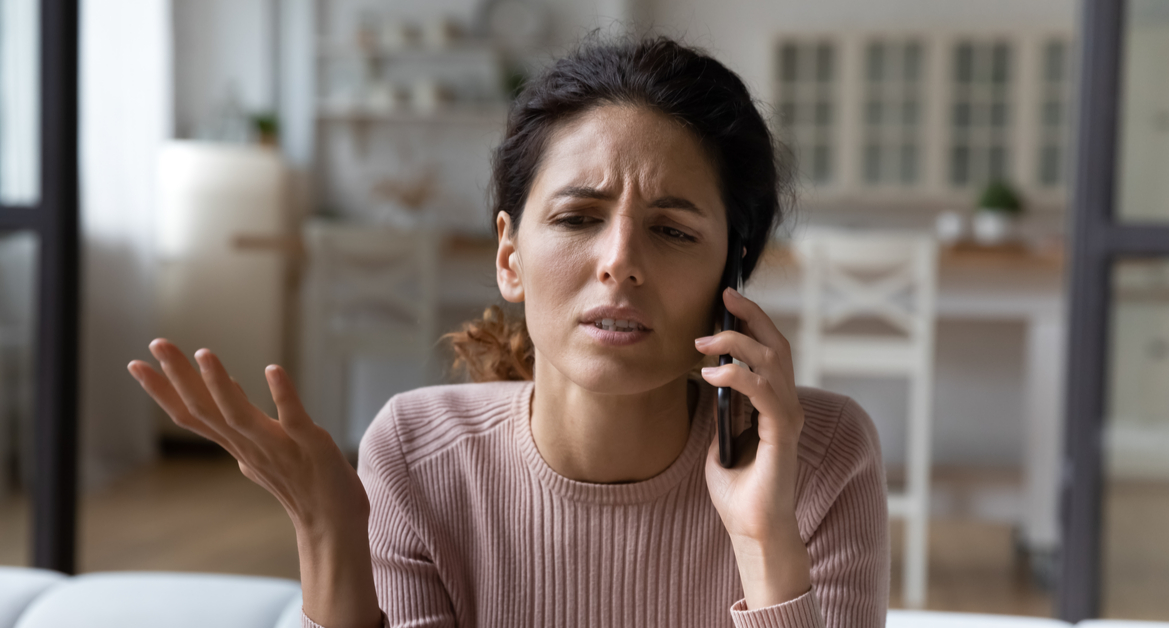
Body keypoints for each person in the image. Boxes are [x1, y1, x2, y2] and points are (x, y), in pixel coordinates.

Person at [127, 36, 888, 628]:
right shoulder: (417, 456)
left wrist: (763, 541)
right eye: (577, 218)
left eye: (674, 231)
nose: (619, 261)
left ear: (734, 273)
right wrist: (329, 527)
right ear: (509, 255)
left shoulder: (817, 457)